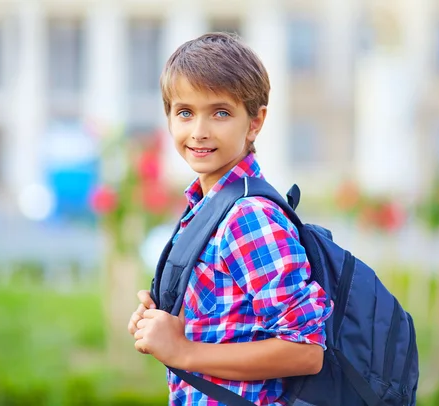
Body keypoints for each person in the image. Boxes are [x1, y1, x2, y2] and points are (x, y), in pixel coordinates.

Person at [127, 32, 332, 406]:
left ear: (255, 123)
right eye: (185, 112)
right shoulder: (208, 206)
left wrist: (182, 350)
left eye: (220, 112)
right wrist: (165, 319)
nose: (199, 131)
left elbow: (305, 352)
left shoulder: (249, 215)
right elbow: (231, 323)